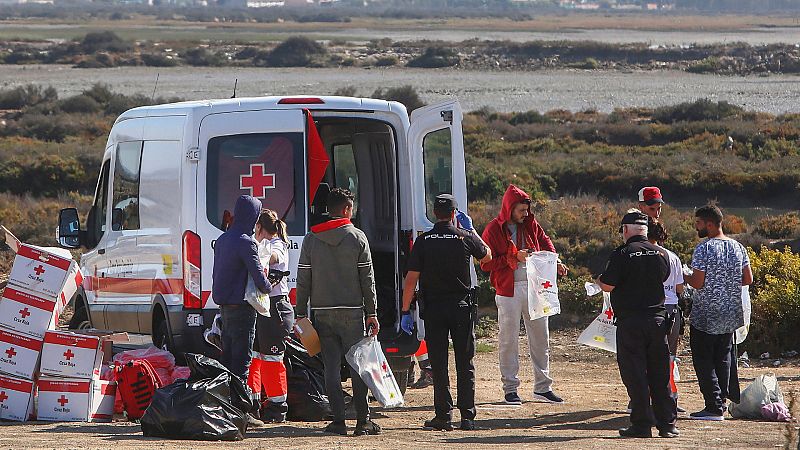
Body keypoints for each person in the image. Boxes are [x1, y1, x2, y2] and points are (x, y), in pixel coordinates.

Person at [400, 193, 491, 431]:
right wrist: (472, 230)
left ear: (434, 215)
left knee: (439, 363)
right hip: (461, 308)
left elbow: (411, 280)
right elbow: (487, 257)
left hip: (434, 309)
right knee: (465, 362)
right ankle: (468, 417)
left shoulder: (424, 241)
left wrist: (405, 310)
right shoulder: (465, 237)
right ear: (454, 214)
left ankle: (443, 416)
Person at [295, 188, 381, 437]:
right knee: (357, 366)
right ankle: (363, 421)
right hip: (353, 311)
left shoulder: (311, 239)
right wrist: (372, 312)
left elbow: (303, 279)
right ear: (345, 209)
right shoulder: (357, 238)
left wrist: (301, 313)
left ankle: (338, 421)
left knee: (330, 368)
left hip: (322, 313)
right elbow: (368, 280)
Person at [480, 184, 566, 405]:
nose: (525, 214)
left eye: (526, 210)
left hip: (535, 289)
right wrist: (513, 258)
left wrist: (555, 261)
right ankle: (510, 389)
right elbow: (485, 265)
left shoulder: (531, 225)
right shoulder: (492, 230)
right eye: (521, 211)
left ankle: (543, 388)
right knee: (508, 340)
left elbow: (546, 241)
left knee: (541, 338)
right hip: (508, 291)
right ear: (509, 209)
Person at [596, 210, 679, 439]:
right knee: (660, 375)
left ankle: (642, 425)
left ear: (625, 230)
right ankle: (668, 425)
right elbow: (664, 278)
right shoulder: (662, 254)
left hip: (631, 322)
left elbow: (607, 285)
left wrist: (599, 281)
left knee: (635, 374)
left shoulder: (622, 254)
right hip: (658, 321)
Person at [684, 205, 753, 421]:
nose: (696, 227)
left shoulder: (703, 249)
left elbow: (697, 282)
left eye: (698, 223)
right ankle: (721, 403)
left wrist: (683, 275)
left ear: (710, 224)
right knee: (724, 358)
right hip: (730, 313)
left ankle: (713, 406)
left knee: (703, 360)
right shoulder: (738, 247)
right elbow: (748, 278)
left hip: (706, 313)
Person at [211, 194, 272, 428]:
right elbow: (259, 278)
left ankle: (225, 409)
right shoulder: (247, 242)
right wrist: (270, 285)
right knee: (242, 362)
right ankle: (240, 413)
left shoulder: (223, 239)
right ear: (253, 217)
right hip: (243, 309)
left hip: (225, 308)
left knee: (227, 360)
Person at [247, 209, 294, 423]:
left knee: (272, 359)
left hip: (275, 309)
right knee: (255, 357)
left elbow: (275, 257)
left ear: (259, 227)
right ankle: (253, 404)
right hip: (261, 306)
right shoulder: (265, 243)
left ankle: (277, 408)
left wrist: (258, 249)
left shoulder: (277, 245)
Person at [647, 219, 685, 413]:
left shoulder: (643, 254)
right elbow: (679, 288)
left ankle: (647, 399)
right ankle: (671, 398)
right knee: (669, 357)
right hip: (672, 308)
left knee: (648, 356)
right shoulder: (672, 256)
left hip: (652, 308)